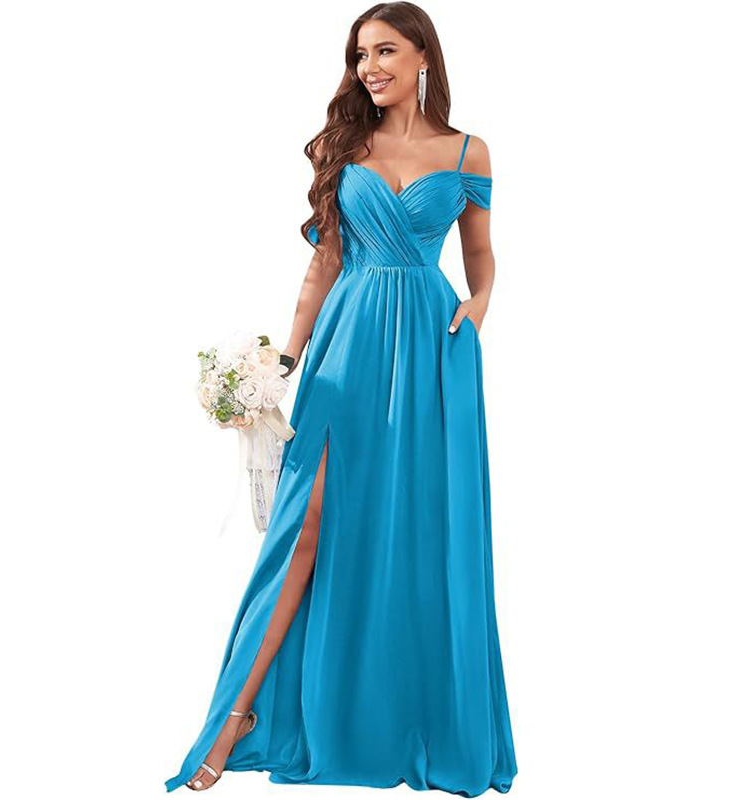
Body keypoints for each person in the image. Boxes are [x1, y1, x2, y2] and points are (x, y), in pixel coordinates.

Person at [165, 3, 518, 795]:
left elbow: (482, 253)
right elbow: (321, 267)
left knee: (421, 528)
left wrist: (479, 303)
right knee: (307, 524)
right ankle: (237, 715)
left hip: (433, 349)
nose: (370, 68)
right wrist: (282, 363)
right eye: (361, 55)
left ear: (423, 55)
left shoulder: (469, 152)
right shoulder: (341, 145)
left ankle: (412, 719)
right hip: (346, 348)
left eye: (385, 51)